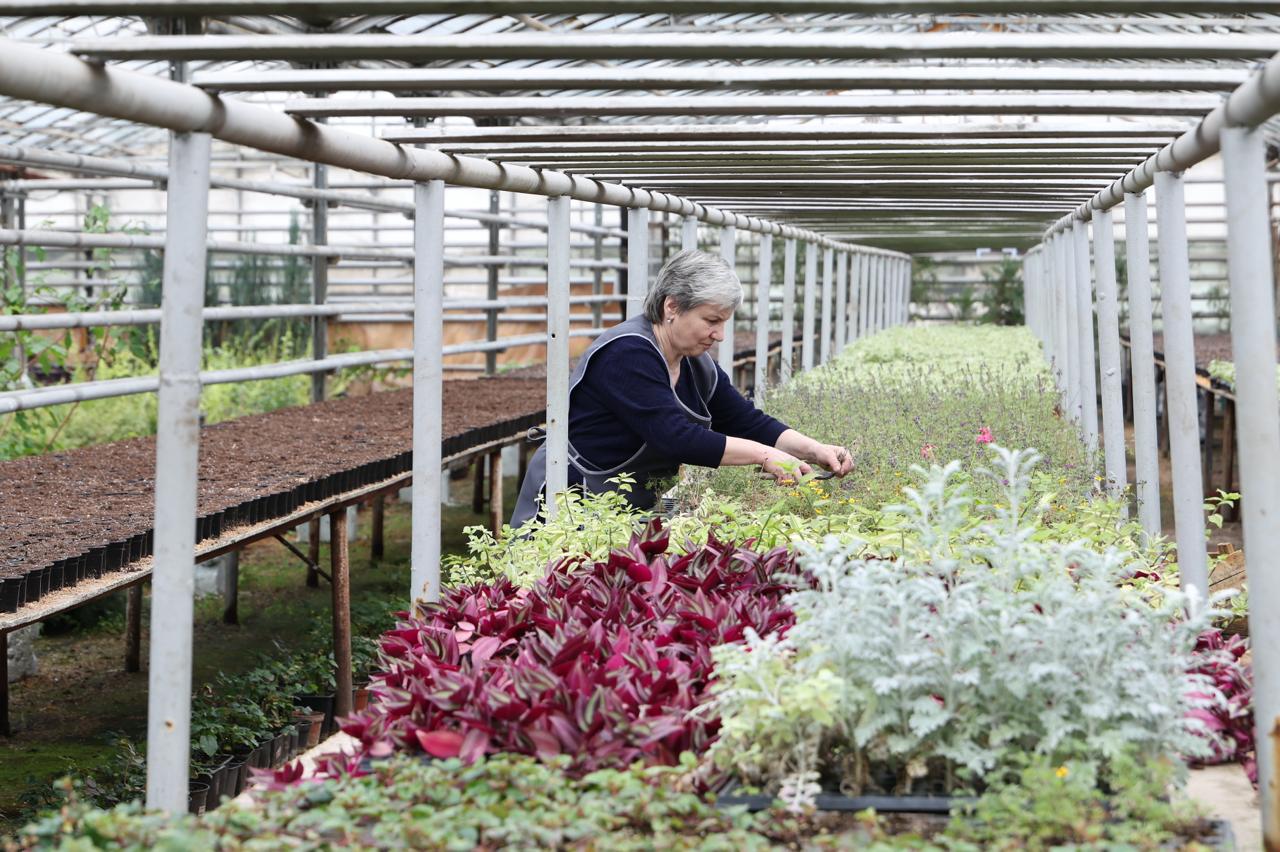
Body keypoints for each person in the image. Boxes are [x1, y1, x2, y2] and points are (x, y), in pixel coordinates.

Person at [511, 248, 852, 527]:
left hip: (624, 512)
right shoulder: (628, 353)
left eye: (724, 322)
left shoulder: (695, 364)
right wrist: (765, 456)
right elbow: (675, 437)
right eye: (711, 320)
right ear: (672, 306)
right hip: (570, 504)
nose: (720, 335)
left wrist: (813, 449)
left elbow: (746, 421)